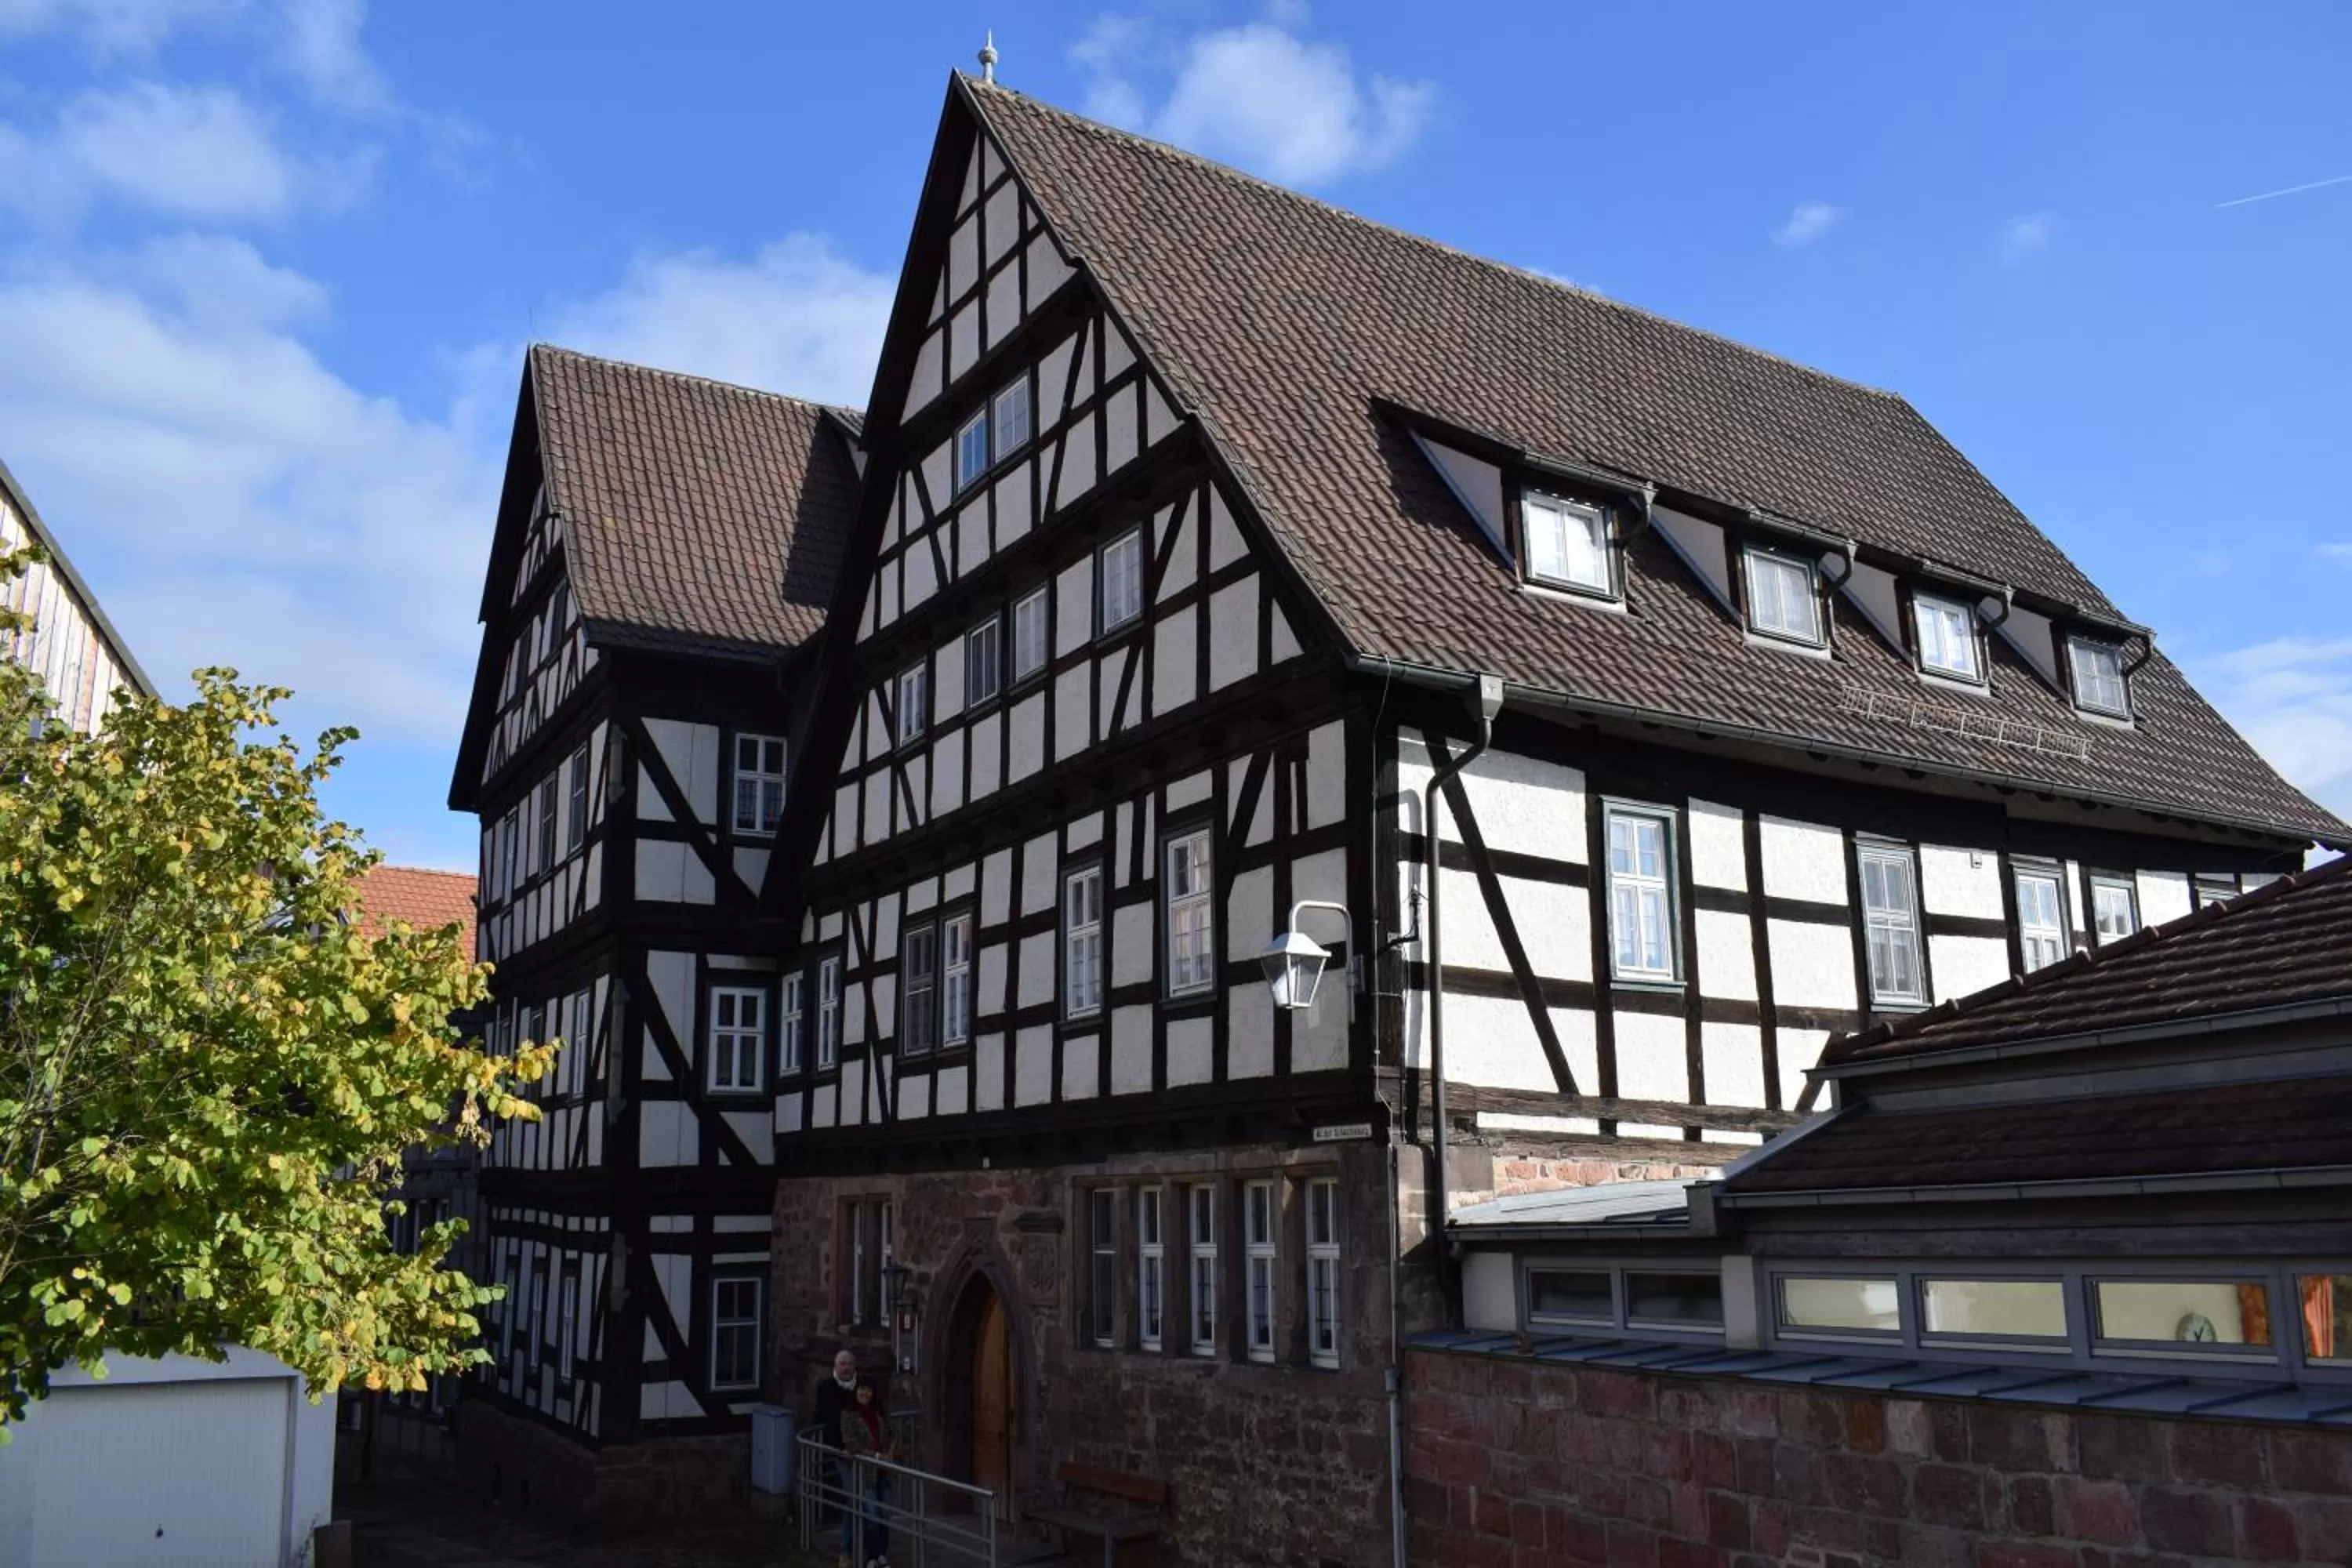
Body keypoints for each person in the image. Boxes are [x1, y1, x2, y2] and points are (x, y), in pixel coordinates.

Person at [837, 1377, 902, 1568]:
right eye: (860, 1390)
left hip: (883, 1470)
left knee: (884, 1513)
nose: (863, 1394)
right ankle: (871, 1557)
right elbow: (851, 1443)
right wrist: (874, 1455)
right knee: (872, 1512)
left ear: (873, 1393)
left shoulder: (879, 1413)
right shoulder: (848, 1414)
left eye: (867, 1390)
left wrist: (890, 1452)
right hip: (866, 1472)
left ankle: (882, 1555)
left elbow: (893, 1433)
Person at [811, 1349, 861, 1568]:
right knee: (853, 1499)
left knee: (869, 1502)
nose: (846, 1367)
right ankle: (846, 1550)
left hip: (865, 1454)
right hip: (840, 1452)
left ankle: (873, 1551)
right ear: (835, 1366)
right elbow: (827, 1420)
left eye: (849, 1364)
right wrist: (841, 1448)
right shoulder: (826, 1388)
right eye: (842, 1364)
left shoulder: (863, 1387)